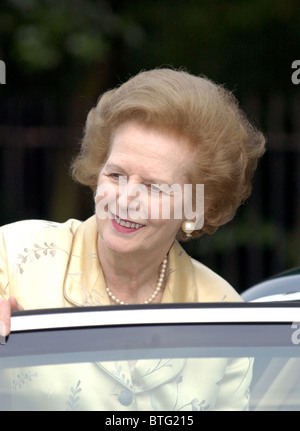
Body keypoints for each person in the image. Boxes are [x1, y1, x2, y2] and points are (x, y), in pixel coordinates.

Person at [0, 68, 265, 410]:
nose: (124, 200)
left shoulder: (223, 310)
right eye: (116, 174)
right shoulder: (12, 256)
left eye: (154, 187)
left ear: (197, 204)